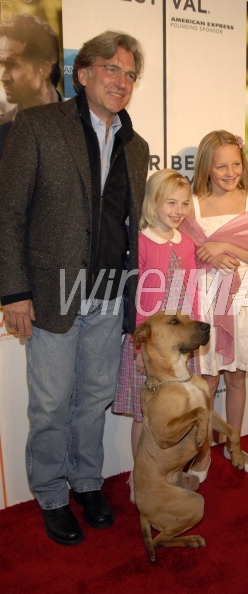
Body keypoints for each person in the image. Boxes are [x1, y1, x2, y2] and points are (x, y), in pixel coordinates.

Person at [0, 30, 149, 545]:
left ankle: (87, 481)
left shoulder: (137, 145)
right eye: (112, 69)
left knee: (94, 398)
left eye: (130, 74)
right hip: (51, 292)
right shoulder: (39, 125)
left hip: (109, 293)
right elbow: (10, 212)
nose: (122, 81)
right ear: (83, 73)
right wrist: (13, 292)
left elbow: (128, 227)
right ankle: (48, 492)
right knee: (50, 403)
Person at [181, 130, 248, 480]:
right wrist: (211, 253)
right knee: (206, 380)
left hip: (245, 299)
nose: (230, 171)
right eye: (221, 165)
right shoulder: (191, 204)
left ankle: (235, 445)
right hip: (206, 300)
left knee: (237, 379)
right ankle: (202, 454)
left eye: (235, 163)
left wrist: (225, 248)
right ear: (206, 166)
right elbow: (184, 256)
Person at [111, 168, 200, 502]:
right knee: (146, 416)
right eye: (170, 202)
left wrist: (192, 337)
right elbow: (137, 300)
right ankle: (141, 479)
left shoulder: (187, 243)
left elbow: (191, 295)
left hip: (178, 350)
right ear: (152, 202)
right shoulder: (141, 241)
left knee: (176, 416)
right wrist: (141, 345)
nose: (178, 210)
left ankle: (171, 473)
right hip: (148, 348)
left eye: (184, 203)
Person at [0, 13, 62, 157]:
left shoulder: (80, 125)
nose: (3, 77)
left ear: (44, 68)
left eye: (12, 65)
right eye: (1, 64)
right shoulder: (2, 129)